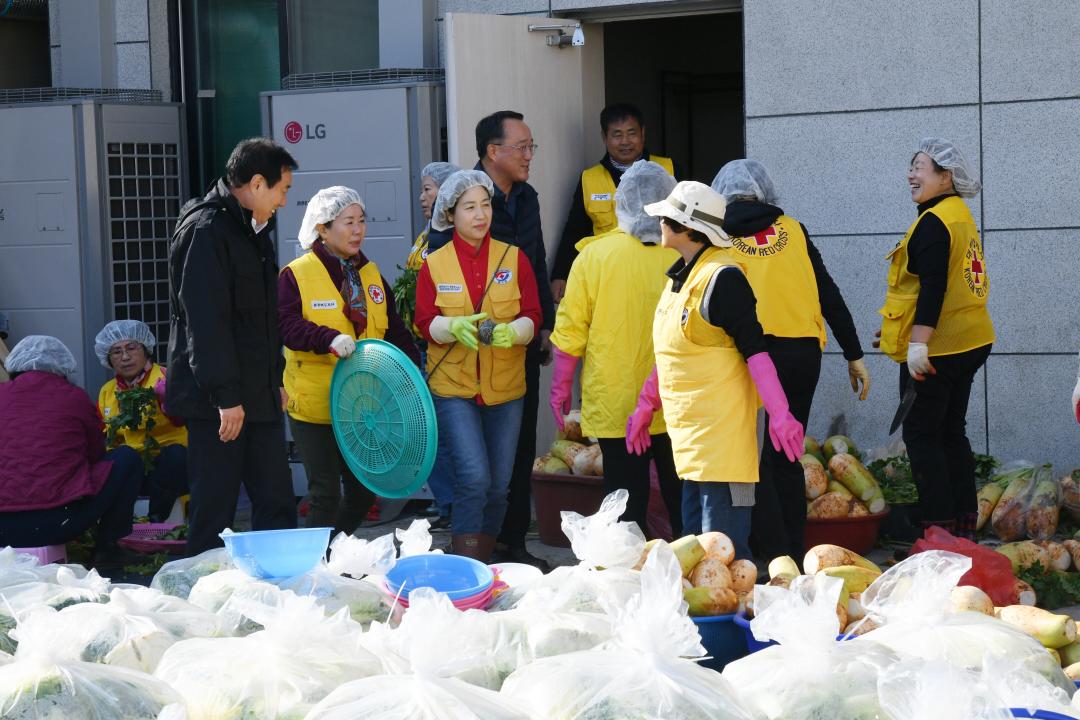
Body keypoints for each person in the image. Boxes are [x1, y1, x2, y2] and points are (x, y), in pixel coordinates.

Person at [625, 182, 805, 560]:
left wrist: (780, 413)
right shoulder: (682, 277)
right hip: (692, 443)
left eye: (666, 216)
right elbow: (673, 351)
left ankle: (735, 618)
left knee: (724, 554)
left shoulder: (723, 279)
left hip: (724, 445)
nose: (658, 221)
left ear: (686, 226)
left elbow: (756, 352)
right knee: (696, 553)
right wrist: (646, 405)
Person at [711, 159, 870, 561]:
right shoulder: (794, 231)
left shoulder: (719, 235)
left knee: (756, 457)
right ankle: (796, 552)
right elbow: (828, 294)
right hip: (803, 355)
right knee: (787, 455)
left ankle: (770, 554)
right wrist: (854, 354)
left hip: (753, 356)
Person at [430, 111, 555, 568]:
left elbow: (535, 262)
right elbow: (435, 267)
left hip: (516, 343)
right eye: (521, 147)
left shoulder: (527, 198)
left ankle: (511, 545)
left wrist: (540, 326)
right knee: (475, 469)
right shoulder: (463, 197)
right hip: (463, 356)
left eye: (530, 146)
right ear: (492, 152)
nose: (528, 156)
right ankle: (469, 554)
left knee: (515, 452)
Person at [167, 137, 299, 556]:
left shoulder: (253, 229)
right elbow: (205, 324)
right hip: (217, 401)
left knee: (277, 500)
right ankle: (202, 601)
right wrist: (226, 396)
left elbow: (262, 321)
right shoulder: (207, 230)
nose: (283, 200)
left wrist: (272, 380)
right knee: (215, 509)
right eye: (283, 189)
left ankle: (278, 590)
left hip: (256, 393)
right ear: (258, 183)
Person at [549, 160, 683, 537]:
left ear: (619, 202)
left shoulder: (593, 256)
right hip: (675, 396)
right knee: (683, 498)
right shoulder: (682, 254)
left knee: (624, 503)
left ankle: (628, 578)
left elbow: (570, 329)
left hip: (616, 401)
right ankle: (694, 579)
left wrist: (561, 389)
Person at [414, 170, 542, 562]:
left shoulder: (513, 257)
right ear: (450, 214)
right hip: (454, 389)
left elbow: (534, 314)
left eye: (485, 205)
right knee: (473, 478)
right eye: (469, 207)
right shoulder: (433, 265)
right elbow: (423, 322)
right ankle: (466, 561)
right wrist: (449, 326)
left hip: (505, 387)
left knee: (499, 485)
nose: (480, 214)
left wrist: (515, 332)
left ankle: (484, 558)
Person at [278, 186, 420, 537]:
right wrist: (326, 338)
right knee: (324, 495)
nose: (358, 230)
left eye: (361, 221)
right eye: (347, 222)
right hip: (315, 406)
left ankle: (330, 554)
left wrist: (413, 371)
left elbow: (396, 331)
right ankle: (309, 570)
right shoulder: (295, 274)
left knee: (361, 494)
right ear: (323, 229)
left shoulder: (371, 276)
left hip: (359, 409)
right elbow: (286, 326)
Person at [875, 138, 993, 540]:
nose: (911, 174)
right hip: (970, 340)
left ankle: (937, 535)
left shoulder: (933, 222)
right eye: (911, 166)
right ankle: (963, 528)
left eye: (920, 167)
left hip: (940, 348)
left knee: (923, 436)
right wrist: (901, 333)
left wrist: (918, 344)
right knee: (951, 432)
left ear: (946, 177)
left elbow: (934, 287)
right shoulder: (958, 213)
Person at [0, 336, 142, 565]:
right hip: (57, 523)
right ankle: (108, 548)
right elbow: (95, 454)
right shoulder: (74, 397)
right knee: (127, 458)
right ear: (61, 367)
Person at [550, 103, 675, 302]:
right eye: (617, 135)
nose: (625, 141)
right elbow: (574, 230)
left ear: (643, 133)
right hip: (609, 278)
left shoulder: (669, 170)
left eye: (631, 133)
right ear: (604, 138)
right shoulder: (589, 179)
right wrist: (560, 275)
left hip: (662, 275)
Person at [402, 161, 460, 529]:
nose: (422, 196)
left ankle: (454, 506)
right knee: (431, 430)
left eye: (429, 188)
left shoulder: (454, 237)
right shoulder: (426, 235)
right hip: (419, 343)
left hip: (441, 348)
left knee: (442, 431)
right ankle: (447, 502)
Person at [94, 319, 188, 523]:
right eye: (116, 352)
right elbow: (102, 436)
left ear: (145, 350)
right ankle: (116, 527)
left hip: (170, 470)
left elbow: (184, 420)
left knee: (176, 455)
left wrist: (167, 401)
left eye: (131, 348)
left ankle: (156, 521)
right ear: (109, 359)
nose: (125, 357)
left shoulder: (166, 378)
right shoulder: (107, 391)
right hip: (134, 471)